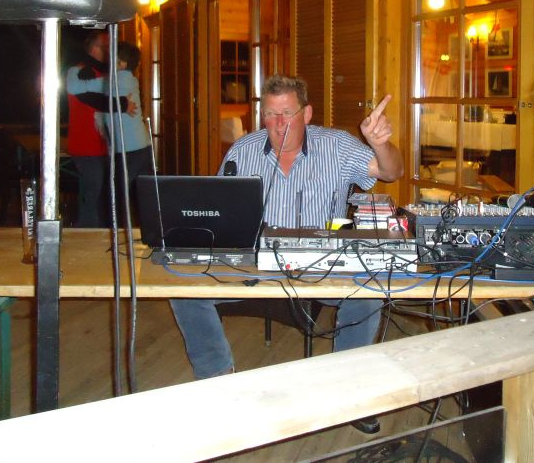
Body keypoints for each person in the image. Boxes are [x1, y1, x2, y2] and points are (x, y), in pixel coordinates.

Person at [169, 74, 403, 433]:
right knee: (184, 288)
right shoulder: (243, 150)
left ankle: (349, 390)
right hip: (255, 259)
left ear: (306, 113)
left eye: (287, 114)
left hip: (323, 260)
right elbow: (219, 210)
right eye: (270, 114)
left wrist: (380, 144)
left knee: (367, 293)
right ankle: (217, 378)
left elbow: (391, 171)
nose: (278, 124)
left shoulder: (337, 146)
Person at [66, 31, 137, 227]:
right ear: (93, 49)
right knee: (93, 195)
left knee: (104, 198)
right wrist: (122, 104)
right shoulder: (80, 72)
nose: (109, 51)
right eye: (106, 47)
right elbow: (92, 99)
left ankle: (103, 234)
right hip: (86, 146)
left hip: (107, 147)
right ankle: (87, 236)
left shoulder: (108, 74)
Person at [92, 41, 154, 218]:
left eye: (113, 57)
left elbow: (84, 87)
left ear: (123, 64)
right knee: (141, 199)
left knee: (116, 201)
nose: (108, 60)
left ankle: (121, 232)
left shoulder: (119, 80)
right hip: (138, 147)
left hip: (130, 150)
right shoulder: (127, 80)